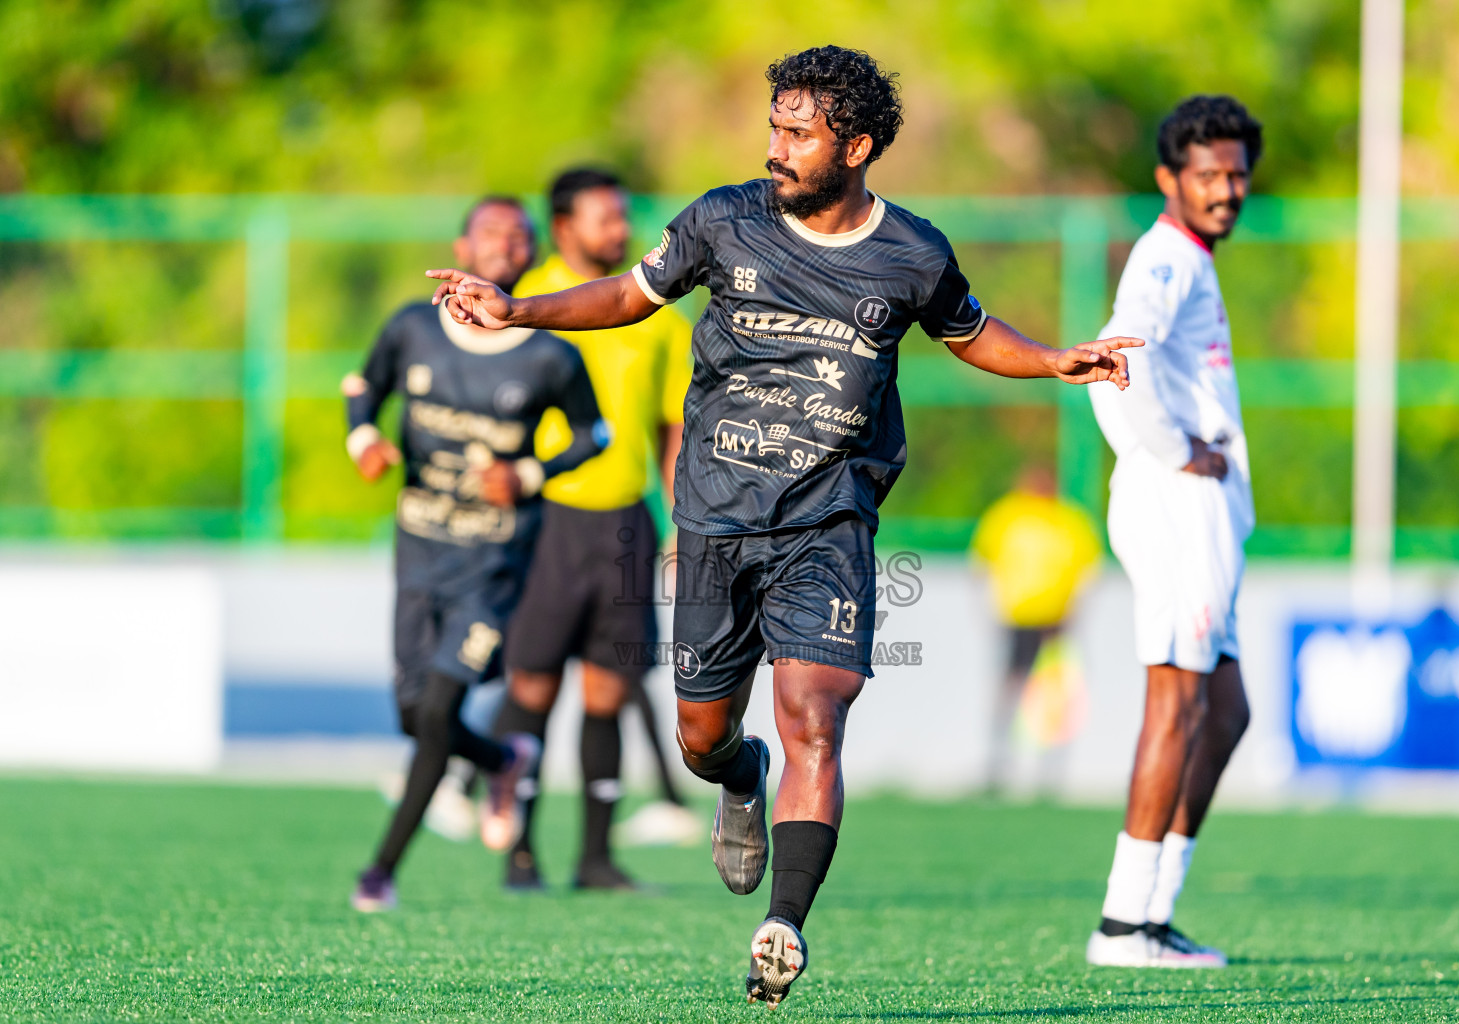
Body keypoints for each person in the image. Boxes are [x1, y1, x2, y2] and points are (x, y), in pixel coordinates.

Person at [424, 46, 1140, 1005]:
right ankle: (738, 777)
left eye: (798, 134)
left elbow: (970, 332)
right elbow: (629, 297)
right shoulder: (723, 220)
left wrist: (1053, 361)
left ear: (859, 145)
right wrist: (522, 308)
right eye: (774, 127)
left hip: (830, 520)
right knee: (701, 737)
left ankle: (784, 925)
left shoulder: (914, 253)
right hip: (717, 518)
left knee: (817, 713)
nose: (777, 148)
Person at [344, 195, 608, 912]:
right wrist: (363, 438)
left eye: (518, 236)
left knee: (437, 707)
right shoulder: (410, 329)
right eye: (490, 231)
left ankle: (382, 872)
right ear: (461, 246)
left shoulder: (551, 353)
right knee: (411, 713)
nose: (504, 242)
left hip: (493, 565)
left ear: (528, 257)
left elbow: (597, 434)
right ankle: (502, 759)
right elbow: (362, 389)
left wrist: (526, 475)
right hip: (419, 551)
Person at [1083, 95, 1262, 968]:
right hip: (1174, 508)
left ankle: (1153, 914)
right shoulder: (1162, 258)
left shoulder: (1193, 255)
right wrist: (1173, 451)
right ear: (1169, 180)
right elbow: (1112, 366)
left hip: (1204, 514)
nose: (1226, 189)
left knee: (1224, 712)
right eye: (1208, 175)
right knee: (1178, 702)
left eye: (1235, 174)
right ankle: (1123, 924)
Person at [491, 167, 697, 890]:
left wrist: (680, 521)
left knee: (609, 691)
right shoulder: (524, 302)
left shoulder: (659, 314)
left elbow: (675, 425)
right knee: (534, 689)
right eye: (604, 217)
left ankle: (596, 857)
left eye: (622, 216)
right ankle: (518, 850)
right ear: (564, 225)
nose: (620, 229)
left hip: (625, 527)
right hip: (542, 523)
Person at [970, 465, 1101, 790]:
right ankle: (999, 761)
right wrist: (989, 608)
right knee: (1011, 687)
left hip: (1057, 621)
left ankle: (1050, 768)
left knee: (1053, 691)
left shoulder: (1070, 519)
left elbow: (1089, 569)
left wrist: (1077, 610)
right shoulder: (1007, 514)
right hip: (1018, 619)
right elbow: (982, 562)